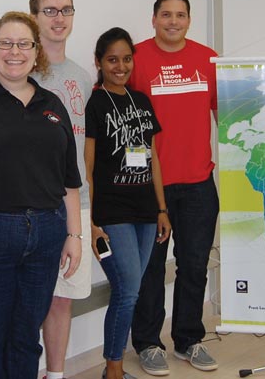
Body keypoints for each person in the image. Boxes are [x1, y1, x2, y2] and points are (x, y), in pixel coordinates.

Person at [0, 11, 83, 379]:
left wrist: (74, 236)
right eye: (5, 43)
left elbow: (68, 179)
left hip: (47, 233)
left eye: (24, 44)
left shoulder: (52, 104)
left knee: (26, 337)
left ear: (36, 51)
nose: (14, 51)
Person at [130, 0, 219, 374]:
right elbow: (122, 122)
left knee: (194, 266)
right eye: (166, 14)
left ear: (189, 20)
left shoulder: (208, 59)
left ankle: (188, 340)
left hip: (199, 183)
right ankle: (149, 343)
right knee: (149, 269)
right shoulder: (135, 59)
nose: (173, 21)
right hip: (150, 186)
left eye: (180, 15)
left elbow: (228, 115)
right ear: (153, 19)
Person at [85, 27, 171, 379]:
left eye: (125, 59)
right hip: (112, 213)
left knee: (131, 289)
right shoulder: (95, 104)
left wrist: (162, 209)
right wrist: (91, 221)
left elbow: (153, 159)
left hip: (146, 212)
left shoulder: (142, 100)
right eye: (112, 59)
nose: (120, 66)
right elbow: (86, 167)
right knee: (128, 289)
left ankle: (114, 366)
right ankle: (114, 368)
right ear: (99, 63)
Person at [29, 0, 93, 379]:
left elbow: (85, 148)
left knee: (62, 298)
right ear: (34, 16)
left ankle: (55, 374)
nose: (59, 18)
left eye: (66, 10)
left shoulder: (83, 77)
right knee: (28, 297)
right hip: (32, 204)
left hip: (76, 204)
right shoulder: (21, 71)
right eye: (50, 11)